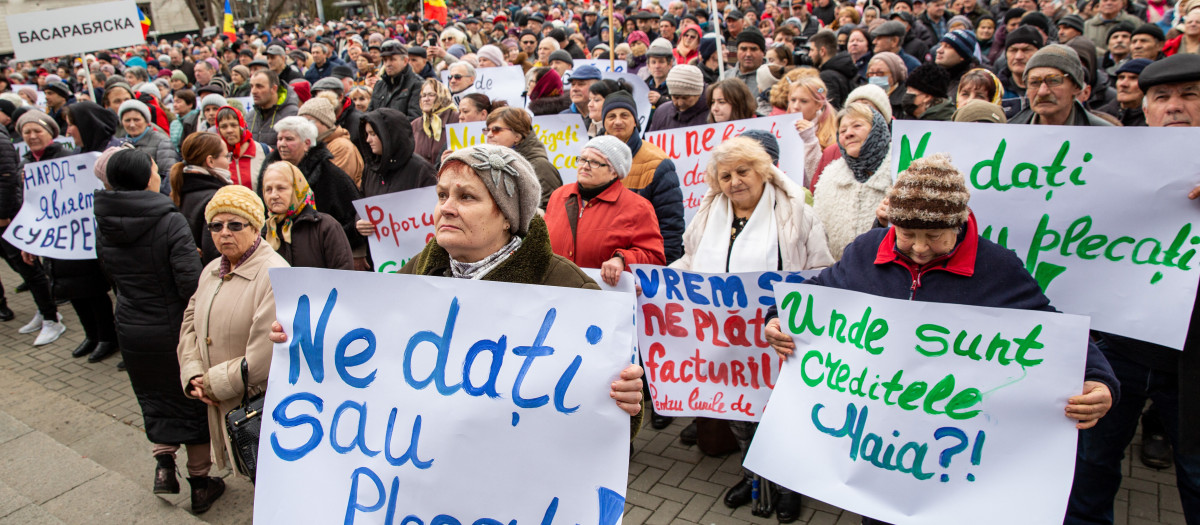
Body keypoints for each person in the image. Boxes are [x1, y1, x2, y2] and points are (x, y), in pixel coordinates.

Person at [764, 154, 1118, 525]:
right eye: (906, 235)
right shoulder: (866, 251)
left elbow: (1048, 328)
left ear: (959, 223)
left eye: (934, 236)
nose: (919, 247)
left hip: (952, 461)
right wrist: (779, 319)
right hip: (880, 450)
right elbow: (819, 294)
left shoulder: (996, 267)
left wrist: (1097, 377)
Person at [271, 144, 646, 437]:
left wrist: (626, 405)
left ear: (506, 215)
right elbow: (369, 348)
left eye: (466, 197)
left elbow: (602, 429)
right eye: (441, 195)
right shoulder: (416, 271)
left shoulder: (567, 288)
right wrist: (309, 337)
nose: (446, 208)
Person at [1066, 53, 1200, 525]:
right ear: (1146, 110)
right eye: (1162, 97)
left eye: (1190, 95)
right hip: (1118, 349)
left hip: (1192, 360)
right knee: (1090, 469)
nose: (1175, 107)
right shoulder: (1108, 165)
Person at [676, 135, 833, 523]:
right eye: (725, 175)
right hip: (726, 341)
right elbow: (691, 261)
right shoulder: (708, 214)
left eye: (743, 171)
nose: (734, 182)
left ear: (762, 170)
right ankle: (752, 475)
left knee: (781, 417)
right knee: (740, 413)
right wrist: (660, 282)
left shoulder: (796, 213)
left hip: (781, 337)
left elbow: (822, 272)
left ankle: (786, 485)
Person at [93, 148, 220, 514]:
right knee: (190, 400)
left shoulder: (104, 219)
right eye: (153, 169)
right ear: (145, 178)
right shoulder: (169, 219)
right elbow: (187, 284)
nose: (158, 175)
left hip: (131, 324)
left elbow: (109, 273)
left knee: (152, 396)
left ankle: (164, 467)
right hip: (172, 328)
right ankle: (200, 483)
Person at [178, 184, 288, 482]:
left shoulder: (273, 274)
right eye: (216, 225)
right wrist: (192, 374)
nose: (223, 232)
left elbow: (263, 356)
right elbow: (190, 322)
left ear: (256, 228)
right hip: (221, 400)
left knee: (268, 477)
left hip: (258, 406)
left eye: (235, 225)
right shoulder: (212, 269)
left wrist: (211, 383)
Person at [544, 136, 666, 286]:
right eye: (582, 159)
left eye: (595, 162)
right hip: (555, 294)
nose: (585, 166)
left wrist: (622, 259)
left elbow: (654, 257)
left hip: (603, 297)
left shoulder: (638, 207)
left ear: (614, 172)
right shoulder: (559, 196)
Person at [258, 117, 362, 252]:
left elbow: (352, 218)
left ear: (307, 143)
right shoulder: (269, 171)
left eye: (289, 139)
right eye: (279, 139)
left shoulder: (329, 174)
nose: (282, 144)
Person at [811, 101, 893, 260]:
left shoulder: (899, 173)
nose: (848, 133)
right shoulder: (829, 178)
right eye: (842, 130)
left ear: (877, 129)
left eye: (857, 126)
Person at [10, 110, 64, 346]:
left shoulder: (65, 158)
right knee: (41, 273)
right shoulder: (25, 163)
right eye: (27, 132)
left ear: (50, 133)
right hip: (40, 230)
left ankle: (52, 317)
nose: (32, 136)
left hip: (63, 232)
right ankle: (47, 313)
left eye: (37, 130)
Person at [261, 161, 354, 270]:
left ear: (297, 189)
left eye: (281, 188)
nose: (273, 195)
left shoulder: (324, 226)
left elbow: (344, 273)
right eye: (268, 189)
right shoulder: (264, 232)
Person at [1011, 44, 1113, 125]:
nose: (1042, 92)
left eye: (1054, 81)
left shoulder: (1103, 134)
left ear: (1076, 86)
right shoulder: (1011, 132)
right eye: (1034, 83)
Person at [170, 132, 230, 265]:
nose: (228, 162)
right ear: (210, 161)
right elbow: (214, 253)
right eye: (226, 156)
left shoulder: (181, 188)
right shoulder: (216, 198)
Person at [298, 97, 364, 186]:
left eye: (310, 121)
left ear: (326, 122)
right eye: (302, 122)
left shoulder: (341, 147)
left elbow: (334, 185)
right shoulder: (311, 144)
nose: (305, 126)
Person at [787, 75, 839, 188]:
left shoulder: (831, 136)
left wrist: (809, 140)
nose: (795, 106)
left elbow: (819, 179)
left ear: (818, 105)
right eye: (793, 100)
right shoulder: (781, 129)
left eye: (804, 101)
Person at [117, 100, 178, 195]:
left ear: (147, 121)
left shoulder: (162, 141)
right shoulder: (119, 144)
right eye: (127, 120)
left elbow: (169, 177)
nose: (132, 124)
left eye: (136, 120)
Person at [216, 106, 271, 191]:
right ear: (218, 130)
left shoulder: (264, 151)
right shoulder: (216, 156)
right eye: (224, 127)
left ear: (242, 125)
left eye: (233, 125)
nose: (229, 130)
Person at [412, 78, 460, 167]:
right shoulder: (415, 124)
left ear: (442, 96)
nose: (426, 99)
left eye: (431, 95)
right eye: (423, 95)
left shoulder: (456, 119)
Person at [646, 65, 710, 131]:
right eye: (675, 97)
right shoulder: (661, 113)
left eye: (685, 98)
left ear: (699, 93)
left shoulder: (714, 114)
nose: (680, 103)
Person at [369, 41, 423, 119]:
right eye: (385, 60)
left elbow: (415, 119)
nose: (388, 64)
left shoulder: (417, 84)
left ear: (405, 61)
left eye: (392, 59)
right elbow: (370, 113)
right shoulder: (379, 85)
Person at [246, 70, 300, 146]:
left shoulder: (292, 115)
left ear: (274, 89)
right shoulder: (249, 117)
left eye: (259, 86)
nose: (253, 91)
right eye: (251, 86)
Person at [1097, 57, 1151, 126]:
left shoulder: (1157, 119)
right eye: (1121, 77)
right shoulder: (1100, 116)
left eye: (1133, 78)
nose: (1123, 84)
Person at [867, 52, 909, 118]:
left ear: (894, 74)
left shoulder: (905, 100)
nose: (874, 77)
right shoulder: (862, 97)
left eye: (880, 73)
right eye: (871, 73)